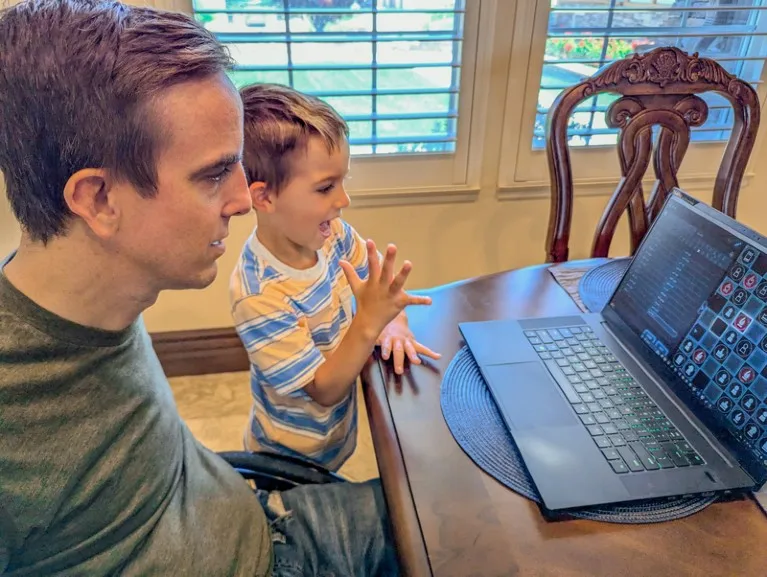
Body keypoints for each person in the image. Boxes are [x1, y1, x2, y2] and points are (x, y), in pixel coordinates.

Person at [0, 0, 400, 574]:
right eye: (214, 175)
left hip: (258, 512)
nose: (243, 200)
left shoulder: (103, 295)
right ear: (99, 200)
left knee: (460, 500)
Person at [229, 83, 441, 471]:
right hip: (289, 458)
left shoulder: (334, 236)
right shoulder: (258, 295)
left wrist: (395, 325)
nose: (343, 200)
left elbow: (382, 295)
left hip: (336, 437)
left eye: (342, 181)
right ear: (264, 198)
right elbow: (324, 390)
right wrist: (370, 322)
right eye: (326, 187)